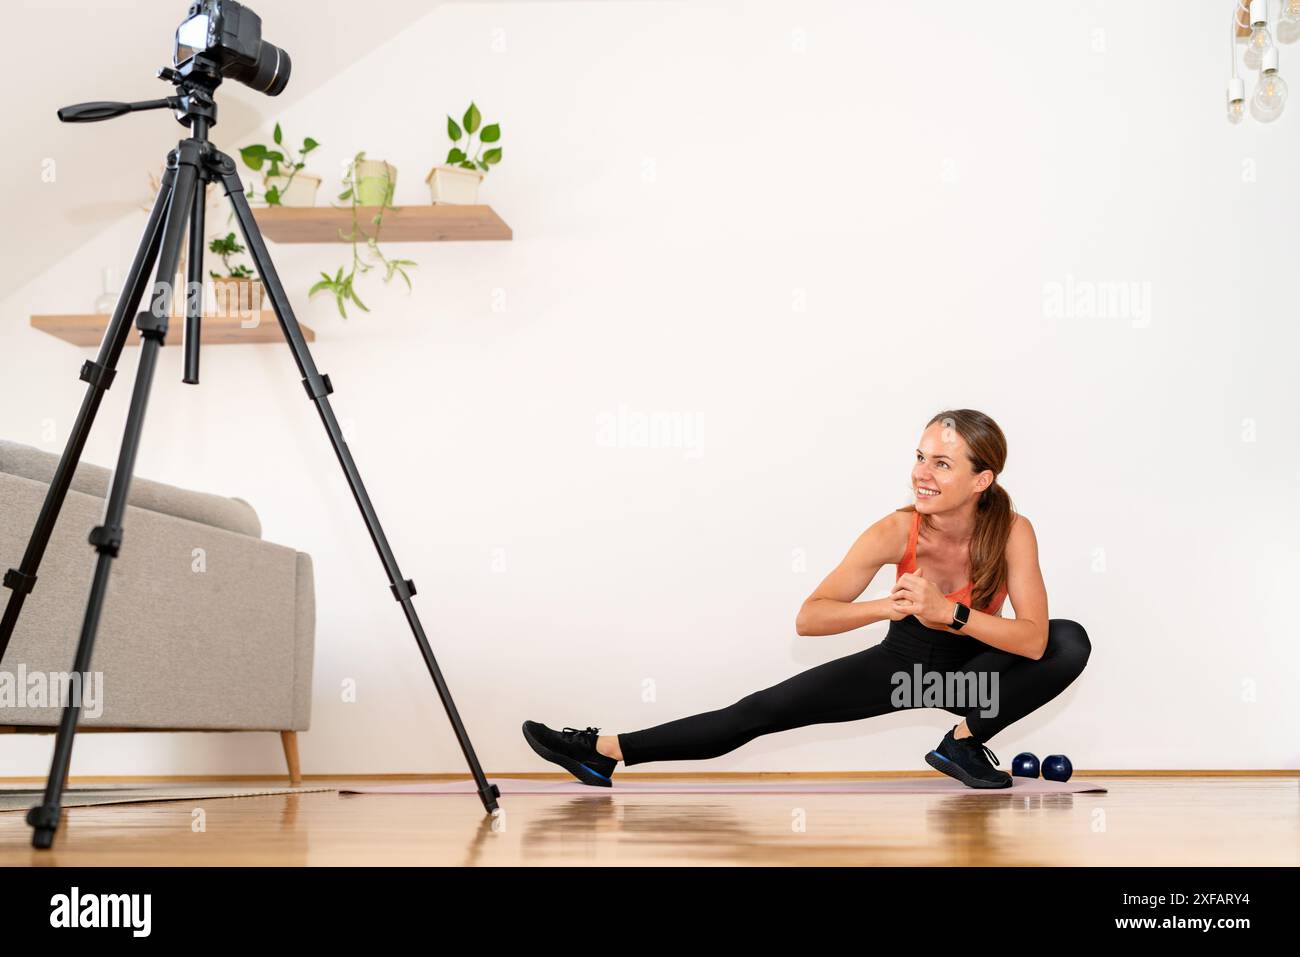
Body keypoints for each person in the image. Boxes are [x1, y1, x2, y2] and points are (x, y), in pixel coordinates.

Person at [522, 409, 1091, 789]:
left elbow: (1035, 639)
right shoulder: (896, 531)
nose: (921, 473)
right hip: (904, 672)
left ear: (980, 480)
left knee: (1070, 638)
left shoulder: (1013, 530)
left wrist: (952, 613)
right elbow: (809, 618)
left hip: (973, 676)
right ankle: (603, 751)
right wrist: (887, 607)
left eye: (941, 463)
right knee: (759, 712)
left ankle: (963, 744)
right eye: (919, 457)